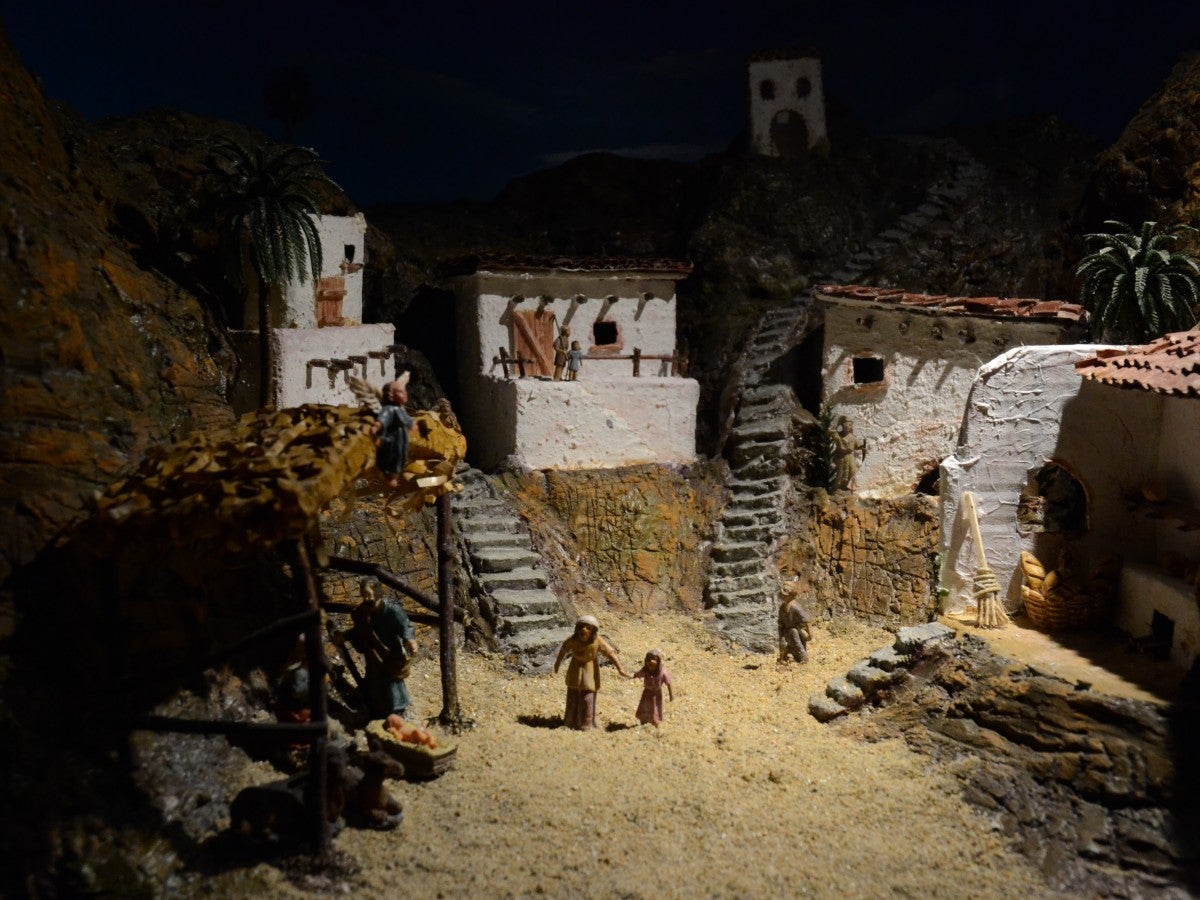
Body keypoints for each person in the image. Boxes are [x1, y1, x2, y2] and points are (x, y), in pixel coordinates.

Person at [333, 582, 418, 719]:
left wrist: (410, 639)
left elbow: (406, 626)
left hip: (390, 652)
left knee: (392, 682)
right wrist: (345, 636)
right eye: (363, 596)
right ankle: (379, 709)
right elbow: (359, 630)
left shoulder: (392, 610)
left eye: (368, 595)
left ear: (378, 594)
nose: (366, 599)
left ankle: (399, 710)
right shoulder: (363, 612)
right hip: (373, 653)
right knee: (374, 680)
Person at [553, 615, 629, 730]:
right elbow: (564, 649)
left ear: (593, 630)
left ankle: (586, 723)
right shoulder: (573, 639)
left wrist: (620, 669)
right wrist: (557, 663)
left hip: (590, 669)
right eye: (581, 627)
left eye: (588, 627)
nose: (584, 630)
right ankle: (570, 721)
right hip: (575, 667)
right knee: (572, 693)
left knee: (587, 695)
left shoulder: (598, 641)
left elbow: (610, 653)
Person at [372, 374, 415, 488]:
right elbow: (383, 418)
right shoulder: (389, 409)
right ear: (391, 395)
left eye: (404, 391)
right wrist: (377, 426)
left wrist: (412, 425)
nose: (405, 393)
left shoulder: (400, 409)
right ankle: (390, 476)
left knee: (401, 455)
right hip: (392, 438)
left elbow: (406, 419)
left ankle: (395, 474)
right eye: (401, 392)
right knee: (392, 456)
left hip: (401, 438)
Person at [630, 649, 673, 727]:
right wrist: (631, 676)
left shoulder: (663, 672)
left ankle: (655, 722)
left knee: (655, 709)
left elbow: (669, 684)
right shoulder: (645, 671)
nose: (651, 661)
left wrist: (671, 696)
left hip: (656, 694)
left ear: (658, 661)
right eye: (649, 658)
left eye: (654, 659)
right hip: (647, 693)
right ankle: (644, 721)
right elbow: (637, 674)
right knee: (644, 707)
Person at [777, 587, 813, 664]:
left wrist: (810, 635)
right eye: (781, 595)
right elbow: (780, 621)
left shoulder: (795, 607)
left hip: (795, 630)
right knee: (783, 645)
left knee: (798, 644)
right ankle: (785, 658)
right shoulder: (782, 607)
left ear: (791, 595)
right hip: (785, 630)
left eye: (785, 595)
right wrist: (781, 634)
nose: (782, 596)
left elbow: (806, 619)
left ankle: (803, 659)